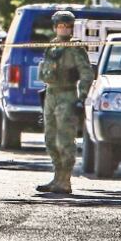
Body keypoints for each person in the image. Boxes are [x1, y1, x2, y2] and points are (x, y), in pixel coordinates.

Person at [36, 11, 93, 195]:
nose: (64, 29)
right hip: (51, 95)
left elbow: (87, 74)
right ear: (55, 27)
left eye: (67, 26)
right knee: (50, 139)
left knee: (65, 140)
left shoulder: (75, 48)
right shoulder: (52, 46)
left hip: (67, 95)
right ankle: (57, 177)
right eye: (61, 26)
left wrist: (82, 97)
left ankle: (65, 180)